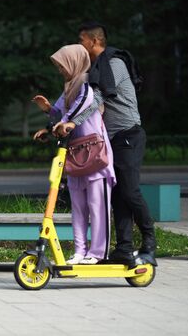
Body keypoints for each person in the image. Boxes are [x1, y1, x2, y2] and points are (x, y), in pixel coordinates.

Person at [55, 22, 157, 266]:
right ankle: (123, 248)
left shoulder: (113, 63)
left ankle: (150, 241)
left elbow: (99, 96)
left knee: (130, 191)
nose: (80, 45)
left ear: (93, 41)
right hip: (111, 139)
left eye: (82, 40)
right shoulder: (95, 68)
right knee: (118, 195)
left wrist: (73, 122)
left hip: (128, 134)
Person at [32, 44, 116, 265]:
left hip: (95, 155)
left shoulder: (87, 83)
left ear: (74, 62)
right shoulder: (69, 86)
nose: (60, 70)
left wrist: (63, 122)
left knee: (98, 206)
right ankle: (80, 251)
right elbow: (60, 113)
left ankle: (97, 253)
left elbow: (76, 111)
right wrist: (48, 112)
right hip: (75, 154)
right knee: (78, 207)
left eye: (62, 65)